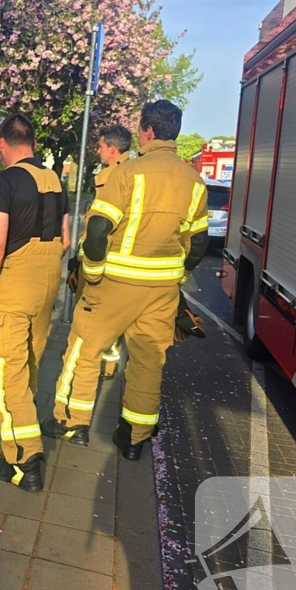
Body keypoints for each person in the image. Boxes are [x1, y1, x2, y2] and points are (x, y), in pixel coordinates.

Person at [43, 100, 209, 461]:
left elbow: (99, 229)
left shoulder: (128, 173)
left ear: (147, 132)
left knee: (83, 351)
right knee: (149, 362)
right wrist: (177, 275)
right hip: (163, 290)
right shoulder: (195, 182)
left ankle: (72, 423)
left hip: (115, 284)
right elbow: (198, 245)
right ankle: (134, 438)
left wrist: (94, 272)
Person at [0, 114, 69, 492]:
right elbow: (65, 238)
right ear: (32, 142)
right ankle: (17, 442)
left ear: (3, 144)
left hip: (14, 284)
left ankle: (25, 461)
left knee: (6, 375)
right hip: (47, 283)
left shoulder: (5, 181)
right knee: (27, 364)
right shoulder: (56, 180)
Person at [67, 124, 134, 381]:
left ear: (113, 149)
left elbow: (98, 227)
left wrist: (85, 261)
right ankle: (108, 363)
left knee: (89, 317)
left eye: (100, 146)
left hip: (100, 261)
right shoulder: (130, 172)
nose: (97, 150)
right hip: (116, 262)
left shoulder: (113, 178)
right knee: (112, 320)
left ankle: (90, 366)